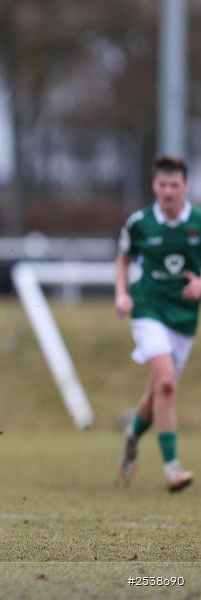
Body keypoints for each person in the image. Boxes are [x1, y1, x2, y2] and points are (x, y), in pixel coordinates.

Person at [116, 155, 198, 492]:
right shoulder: (139, 223)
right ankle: (172, 468)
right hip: (147, 309)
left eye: (174, 184)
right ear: (154, 186)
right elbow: (122, 260)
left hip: (184, 318)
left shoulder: (198, 223)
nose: (167, 190)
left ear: (185, 186)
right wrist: (122, 294)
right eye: (162, 184)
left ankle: (133, 434)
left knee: (157, 392)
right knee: (166, 382)